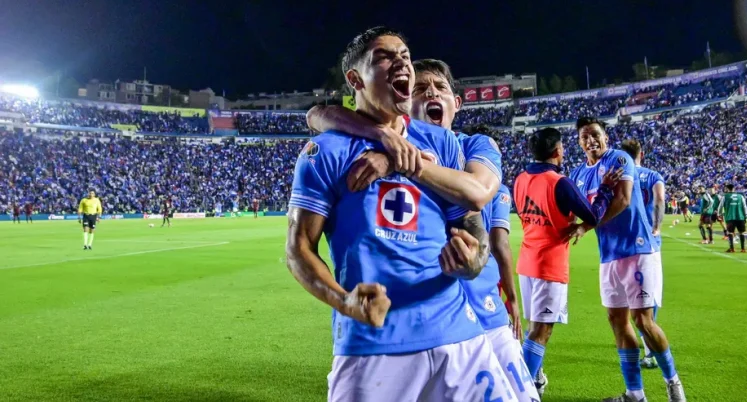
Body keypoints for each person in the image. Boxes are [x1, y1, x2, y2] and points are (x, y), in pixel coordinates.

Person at [285, 27, 514, 402]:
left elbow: (470, 225)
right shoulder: (324, 151)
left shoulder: (439, 141)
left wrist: (472, 257)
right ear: (355, 79)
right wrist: (344, 301)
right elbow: (298, 250)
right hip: (373, 343)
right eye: (384, 57)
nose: (401, 62)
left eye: (404, 55)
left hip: (458, 334)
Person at [570, 117, 685, 402]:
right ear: (579, 142)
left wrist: (587, 225)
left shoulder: (619, 159)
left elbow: (622, 200)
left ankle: (674, 384)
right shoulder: (577, 174)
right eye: (585, 137)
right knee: (617, 321)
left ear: (605, 137)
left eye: (595, 134)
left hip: (637, 249)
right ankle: (635, 394)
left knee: (643, 321)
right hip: (608, 256)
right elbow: (580, 209)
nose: (591, 141)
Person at [515, 127, 620, 396]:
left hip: (526, 261)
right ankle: (520, 393)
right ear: (557, 151)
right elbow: (593, 215)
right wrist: (606, 189)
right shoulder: (559, 182)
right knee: (542, 332)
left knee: (533, 328)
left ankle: (535, 380)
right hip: (550, 264)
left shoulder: (519, 179)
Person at [621, 139, 665, 369]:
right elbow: (659, 198)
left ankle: (639, 344)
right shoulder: (652, 175)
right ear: (642, 154)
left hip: (624, 242)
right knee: (649, 298)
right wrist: (656, 227)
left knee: (625, 300)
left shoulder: (621, 174)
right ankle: (650, 350)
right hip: (649, 244)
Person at [723, 184, 747, 253]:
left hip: (730, 217)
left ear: (727, 189)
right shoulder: (741, 196)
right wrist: (746, 215)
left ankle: (732, 248)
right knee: (742, 233)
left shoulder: (725, 196)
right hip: (740, 217)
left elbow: (720, 207)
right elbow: (744, 206)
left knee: (730, 232)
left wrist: (719, 214)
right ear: (734, 189)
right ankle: (743, 249)